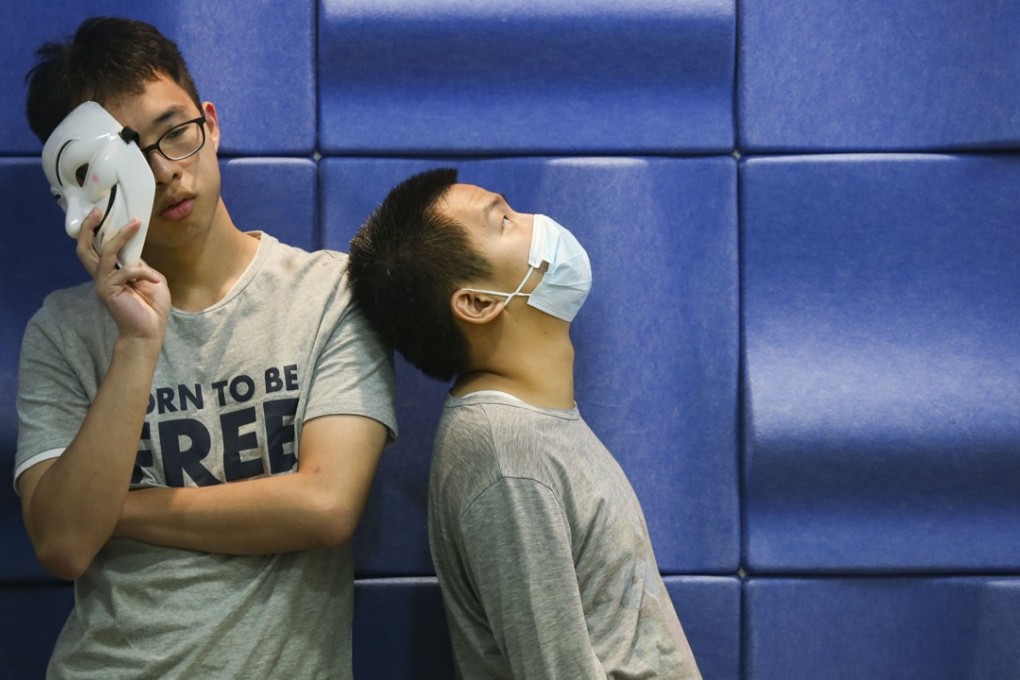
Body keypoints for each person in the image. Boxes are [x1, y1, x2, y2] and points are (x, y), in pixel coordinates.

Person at [15, 17, 396, 679]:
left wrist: (120, 509)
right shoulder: (61, 331)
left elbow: (327, 505)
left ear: (210, 124)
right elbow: (65, 544)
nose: (165, 171)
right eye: (128, 159)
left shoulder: (330, 293)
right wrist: (138, 342)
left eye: (176, 133)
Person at [346, 167, 702, 679]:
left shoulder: (527, 430)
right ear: (477, 302)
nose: (539, 222)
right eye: (506, 221)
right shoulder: (505, 454)